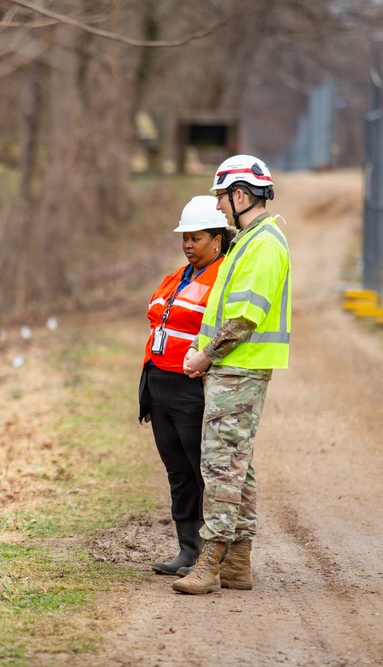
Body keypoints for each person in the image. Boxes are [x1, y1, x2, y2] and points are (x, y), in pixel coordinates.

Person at [173, 154, 291, 595]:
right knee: (238, 464)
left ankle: (211, 561)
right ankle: (238, 562)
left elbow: (243, 319)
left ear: (241, 195)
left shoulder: (263, 244)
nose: (219, 208)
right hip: (234, 369)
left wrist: (205, 355)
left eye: (222, 198)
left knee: (221, 466)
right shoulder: (250, 240)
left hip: (238, 369)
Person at [139, 195, 235, 577]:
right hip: (158, 384)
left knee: (202, 471)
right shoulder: (176, 276)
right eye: (185, 238)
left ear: (218, 240)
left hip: (191, 388)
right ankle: (187, 550)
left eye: (196, 238)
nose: (188, 245)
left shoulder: (225, 277)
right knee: (177, 471)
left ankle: (216, 556)